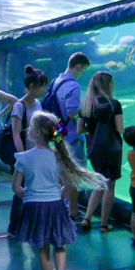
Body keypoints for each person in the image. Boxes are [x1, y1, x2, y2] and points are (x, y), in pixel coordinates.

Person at [12, 111, 107, 270]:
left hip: (34, 207)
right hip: (55, 205)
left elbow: (16, 188)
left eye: (30, 127)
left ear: (37, 133)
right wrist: (58, 196)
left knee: (43, 248)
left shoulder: (24, 158)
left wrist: (30, 197)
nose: (27, 129)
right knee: (59, 244)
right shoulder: (58, 156)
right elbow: (70, 187)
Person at [77, 71, 123, 232]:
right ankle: (103, 224)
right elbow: (120, 129)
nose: (114, 85)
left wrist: (93, 132)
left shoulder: (85, 103)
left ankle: (87, 218)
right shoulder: (114, 104)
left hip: (93, 147)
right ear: (107, 85)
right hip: (110, 148)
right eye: (112, 83)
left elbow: (79, 129)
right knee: (109, 185)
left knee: (99, 182)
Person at [7, 65, 48, 235]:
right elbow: (16, 134)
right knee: (20, 191)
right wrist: (23, 158)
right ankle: (14, 227)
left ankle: (32, 225)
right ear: (32, 87)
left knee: (34, 191)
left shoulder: (38, 103)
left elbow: (47, 125)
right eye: (42, 86)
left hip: (37, 154)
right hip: (24, 157)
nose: (44, 89)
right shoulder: (19, 106)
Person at [49, 52, 91, 220]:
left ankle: (64, 207)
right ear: (78, 66)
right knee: (73, 173)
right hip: (71, 134)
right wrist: (86, 107)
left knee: (61, 171)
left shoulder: (55, 82)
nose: (83, 73)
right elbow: (72, 113)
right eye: (83, 69)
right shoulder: (73, 85)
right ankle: (71, 210)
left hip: (58, 131)